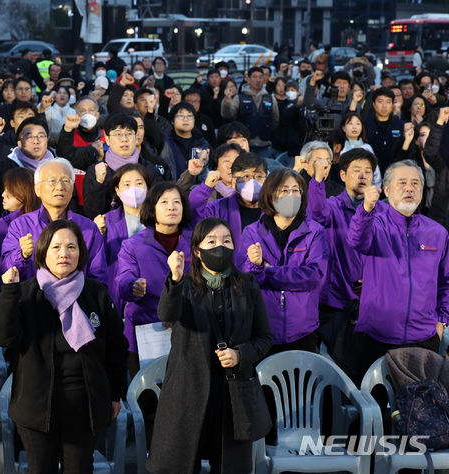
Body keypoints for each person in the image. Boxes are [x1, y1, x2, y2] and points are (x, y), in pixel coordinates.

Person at [0, 220, 127, 474]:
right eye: (56, 247)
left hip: (85, 404)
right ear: (43, 252)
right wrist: (9, 292)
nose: (64, 254)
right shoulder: (27, 293)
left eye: (71, 247)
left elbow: (116, 349)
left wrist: (114, 395)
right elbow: (3, 338)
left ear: (81, 253)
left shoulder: (96, 293)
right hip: (37, 404)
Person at [146, 218, 273, 474]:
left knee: (230, 466)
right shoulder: (185, 285)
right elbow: (166, 314)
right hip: (187, 391)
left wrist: (240, 354)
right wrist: (175, 278)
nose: (220, 247)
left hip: (232, 394)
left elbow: (264, 338)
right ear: (197, 250)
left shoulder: (247, 285)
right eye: (212, 242)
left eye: (226, 241)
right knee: (179, 464)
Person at [347, 159, 449, 376]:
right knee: (378, 406)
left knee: (421, 406)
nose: (409, 188)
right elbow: (356, 240)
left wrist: (442, 320)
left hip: (424, 339)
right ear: (386, 189)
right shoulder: (375, 223)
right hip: (377, 337)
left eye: (415, 183)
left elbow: (445, 282)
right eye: (402, 183)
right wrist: (366, 209)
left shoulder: (437, 233)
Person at [237, 167, 328, 354]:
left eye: (296, 190)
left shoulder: (315, 231)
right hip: (262, 328)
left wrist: (268, 270)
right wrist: (255, 266)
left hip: (303, 329)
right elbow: (245, 281)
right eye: (284, 190)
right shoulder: (252, 232)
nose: (291, 195)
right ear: (270, 195)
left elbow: (314, 276)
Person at [306, 148, 378, 355]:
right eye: (356, 170)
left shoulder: (381, 210)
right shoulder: (332, 206)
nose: (363, 175)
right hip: (334, 300)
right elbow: (316, 215)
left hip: (369, 300)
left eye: (368, 171)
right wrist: (318, 181)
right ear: (343, 175)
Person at [115, 181, 193, 374]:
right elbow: (123, 279)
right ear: (152, 208)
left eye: (177, 202)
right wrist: (132, 287)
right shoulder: (133, 245)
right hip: (146, 329)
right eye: (164, 202)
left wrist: (177, 311)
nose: (172, 207)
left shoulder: (195, 242)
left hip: (187, 327)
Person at [2, 158, 106, 283]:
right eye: (52, 181)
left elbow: (98, 276)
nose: (60, 187)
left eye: (66, 181)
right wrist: (22, 255)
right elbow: (6, 269)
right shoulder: (21, 225)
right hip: (31, 299)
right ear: (37, 189)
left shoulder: (89, 228)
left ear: (72, 188)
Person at [190, 152, 267, 264]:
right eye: (246, 176)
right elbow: (193, 214)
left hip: (264, 276)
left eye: (259, 176)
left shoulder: (275, 211)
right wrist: (206, 188)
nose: (252, 182)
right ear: (233, 181)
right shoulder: (218, 208)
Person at [93, 163, 150, 311]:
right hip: (118, 295)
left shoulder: (159, 219)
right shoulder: (106, 221)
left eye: (139, 183)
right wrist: (99, 234)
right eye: (127, 184)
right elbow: (97, 261)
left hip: (152, 292)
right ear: (117, 190)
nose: (134, 189)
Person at [0, 167, 39, 316]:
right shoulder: (3, 223)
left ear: (22, 193)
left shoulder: (5, 224)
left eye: (8, 191)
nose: (3, 195)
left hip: (14, 301)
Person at [221, 66, 279, 157]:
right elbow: (227, 115)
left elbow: (275, 119)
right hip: (245, 145)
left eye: (260, 77)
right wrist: (227, 100)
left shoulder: (270, 98)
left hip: (265, 144)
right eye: (255, 77)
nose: (258, 80)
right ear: (248, 79)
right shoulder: (239, 97)